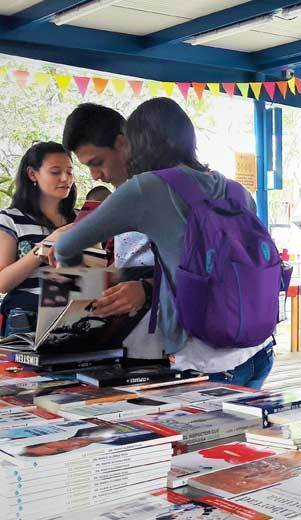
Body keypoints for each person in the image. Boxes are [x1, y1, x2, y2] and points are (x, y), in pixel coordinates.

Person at [55, 97, 275, 389]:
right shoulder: (236, 191)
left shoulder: (147, 187)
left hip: (203, 362)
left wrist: (82, 289)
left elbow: (65, 247)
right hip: (258, 351)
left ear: (133, 144)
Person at [63, 103, 160, 358]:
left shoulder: (161, 190)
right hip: (138, 338)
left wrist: (147, 288)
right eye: (88, 167)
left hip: (185, 344)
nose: (95, 176)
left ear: (122, 144)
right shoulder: (124, 196)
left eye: (98, 163)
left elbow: (198, 269)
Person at [0, 142, 76, 335]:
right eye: (55, 172)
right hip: (27, 318)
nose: (65, 178)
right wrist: (46, 245)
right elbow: (2, 283)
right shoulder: (10, 219)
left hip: (74, 318)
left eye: (69, 171)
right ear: (32, 174)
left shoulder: (79, 220)